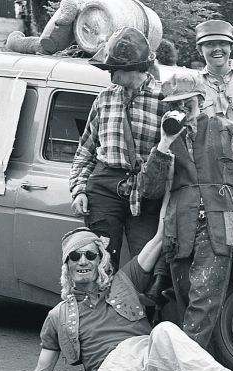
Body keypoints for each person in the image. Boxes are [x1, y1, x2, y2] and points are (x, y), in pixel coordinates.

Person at [0, 223, 233, 371]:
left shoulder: (125, 279)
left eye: (90, 254)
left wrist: (167, 153)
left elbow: (158, 237)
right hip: (111, 367)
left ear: (101, 260)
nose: (83, 260)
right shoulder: (58, 316)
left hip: (147, 351)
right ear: (67, 266)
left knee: (165, 330)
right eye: (75, 256)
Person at [139, 73, 233, 348]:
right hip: (179, 229)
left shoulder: (229, 130)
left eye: (186, 103)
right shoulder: (166, 140)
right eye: (174, 104)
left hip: (219, 226)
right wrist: (164, 144)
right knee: (185, 300)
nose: (181, 110)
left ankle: (183, 367)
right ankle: (198, 367)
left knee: (202, 301)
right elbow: (152, 190)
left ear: (200, 100)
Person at [69, 27, 171, 304]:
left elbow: (174, 153)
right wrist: (79, 189)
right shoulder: (104, 99)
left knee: (146, 262)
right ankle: (95, 318)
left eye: (113, 67)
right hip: (104, 184)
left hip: (145, 189)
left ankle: (136, 325)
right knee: (97, 257)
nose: (109, 73)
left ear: (133, 67)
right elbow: (86, 150)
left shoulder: (164, 100)